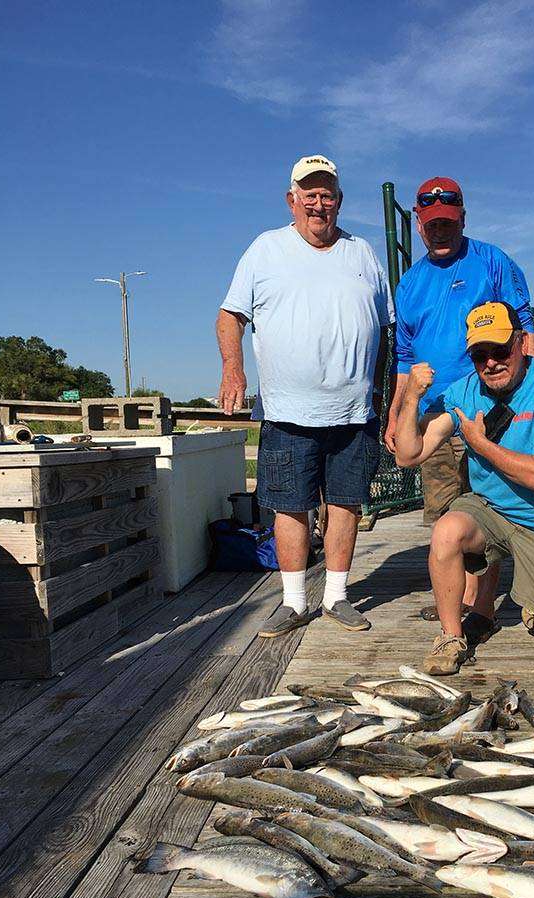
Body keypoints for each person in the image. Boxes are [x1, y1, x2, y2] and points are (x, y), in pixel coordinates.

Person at [217, 154, 394, 637]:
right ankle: (294, 602)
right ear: (291, 200)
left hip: (354, 411)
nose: (319, 204)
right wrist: (233, 368)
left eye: (328, 194)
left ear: (339, 201)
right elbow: (230, 316)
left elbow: (386, 328)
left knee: (346, 503)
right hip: (288, 411)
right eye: (309, 194)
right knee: (290, 505)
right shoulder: (265, 249)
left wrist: (382, 394)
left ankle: (337, 597)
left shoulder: (362, 252)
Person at [384, 176, 534, 645]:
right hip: (436, 415)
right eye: (431, 224)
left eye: (448, 223)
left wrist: (531, 397)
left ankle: (482, 606)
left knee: (491, 508)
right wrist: (397, 414)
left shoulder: (493, 261)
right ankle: (458, 598)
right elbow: (404, 359)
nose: (440, 231)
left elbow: (524, 329)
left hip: (491, 410)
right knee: (445, 512)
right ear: (418, 224)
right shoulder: (409, 284)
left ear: (463, 219)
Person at [395, 300, 534, 675]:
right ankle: (451, 637)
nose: (491, 362)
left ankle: (530, 600)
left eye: (499, 349)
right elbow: (408, 455)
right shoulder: (463, 392)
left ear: (520, 343)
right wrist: (412, 397)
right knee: (447, 531)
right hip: (492, 510)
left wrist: (480, 445)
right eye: (480, 354)